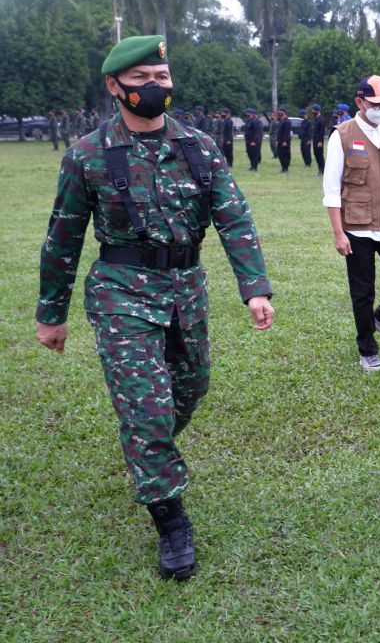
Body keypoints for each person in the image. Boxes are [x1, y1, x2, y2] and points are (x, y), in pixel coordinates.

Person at [36, 34, 274, 580]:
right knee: (147, 409)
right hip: (122, 292)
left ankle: (149, 450)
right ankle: (170, 519)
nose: (154, 87)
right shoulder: (88, 155)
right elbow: (63, 238)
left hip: (185, 287)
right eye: (141, 78)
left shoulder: (198, 146)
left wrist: (254, 286)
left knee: (190, 390)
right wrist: (52, 313)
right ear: (115, 86)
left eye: (161, 78)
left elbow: (232, 216)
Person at [323, 75, 380, 371]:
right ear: (360, 102)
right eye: (376, 103)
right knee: (363, 292)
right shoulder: (343, 135)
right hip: (357, 227)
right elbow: (332, 189)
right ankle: (367, 347)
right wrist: (339, 233)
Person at [274, 108, 292, 173]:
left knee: (285, 154)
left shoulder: (287, 121)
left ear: (284, 113)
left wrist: (285, 141)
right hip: (280, 140)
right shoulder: (281, 121)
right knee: (280, 154)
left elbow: (286, 132)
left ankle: (286, 168)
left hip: (285, 141)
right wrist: (277, 140)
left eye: (280, 112)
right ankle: (283, 167)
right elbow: (279, 132)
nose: (279, 113)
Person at [311, 104, 327, 174]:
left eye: (313, 110)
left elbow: (322, 132)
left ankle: (323, 170)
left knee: (320, 155)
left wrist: (320, 141)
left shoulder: (321, 120)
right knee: (316, 154)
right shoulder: (315, 119)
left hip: (319, 141)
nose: (312, 112)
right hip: (315, 140)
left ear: (317, 111)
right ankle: (319, 169)